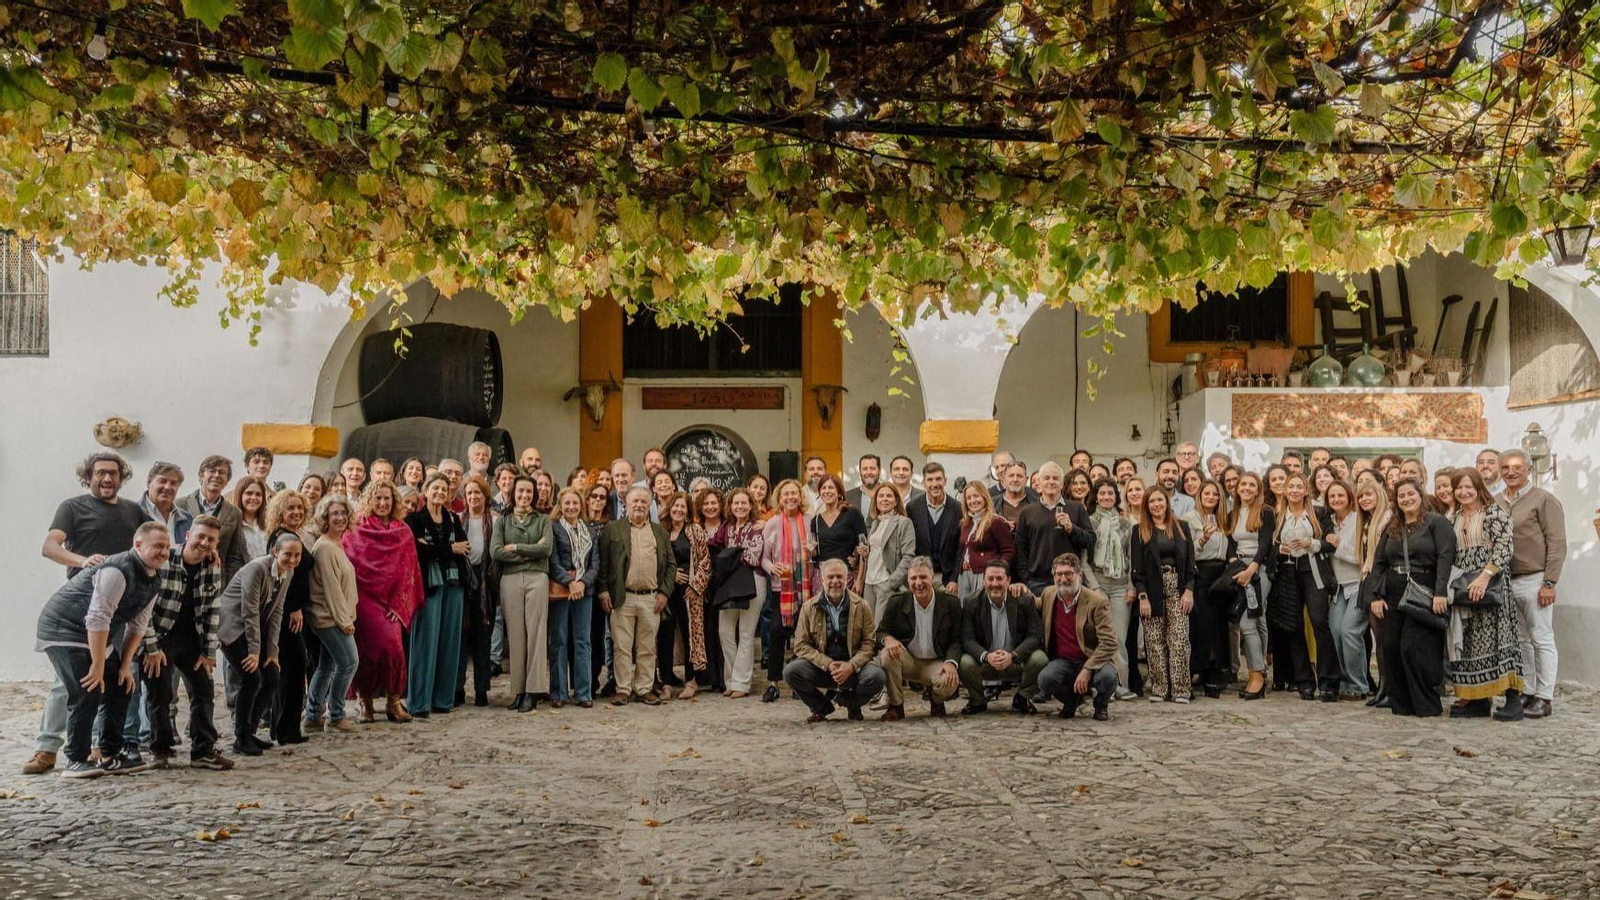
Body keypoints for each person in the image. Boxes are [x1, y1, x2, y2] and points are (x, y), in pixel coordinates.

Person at [26, 451, 151, 777]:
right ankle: (47, 747)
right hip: (81, 608)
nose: (107, 479)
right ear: (89, 477)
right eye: (100, 473)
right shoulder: (72, 507)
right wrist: (81, 561)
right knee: (69, 683)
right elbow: (50, 547)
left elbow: (154, 540)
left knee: (110, 679)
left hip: (118, 609)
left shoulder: (132, 510)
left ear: (121, 477)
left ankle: (98, 748)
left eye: (113, 473)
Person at [35, 521, 171, 778]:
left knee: (120, 685)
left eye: (166, 547)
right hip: (62, 629)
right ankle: (76, 759)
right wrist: (97, 665)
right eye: (157, 546)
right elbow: (98, 618)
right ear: (138, 545)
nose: (163, 552)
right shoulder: (118, 570)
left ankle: (109, 754)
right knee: (88, 686)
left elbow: (138, 626)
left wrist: (124, 667)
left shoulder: (154, 579)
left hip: (94, 633)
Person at [141, 516, 231, 770]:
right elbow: (143, 608)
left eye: (211, 540)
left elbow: (213, 609)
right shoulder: (164, 559)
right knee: (160, 693)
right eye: (200, 536)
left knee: (203, 689)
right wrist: (150, 647)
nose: (204, 543)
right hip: (160, 637)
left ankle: (202, 749)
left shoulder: (212, 566)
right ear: (188, 534)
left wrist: (209, 650)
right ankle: (160, 749)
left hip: (192, 638)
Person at [1368, 479, 1455, 717]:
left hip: (1423, 589)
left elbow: (1445, 558)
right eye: (1401, 496)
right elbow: (1379, 562)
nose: (1406, 499)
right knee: (1391, 646)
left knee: (1415, 647)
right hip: (1394, 591)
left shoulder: (1437, 523)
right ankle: (1402, 704)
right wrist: (1375, 595)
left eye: (1411, 494)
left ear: (1420, 495)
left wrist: (1440, 592)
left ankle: (1425, 703)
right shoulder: (1393, 526)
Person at [1444, 468, 1524, 721]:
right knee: (1469, 642)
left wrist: (1484, 576)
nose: (1464, 492)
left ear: (1479, 488)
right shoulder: (1454, 517)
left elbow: (1505, 546)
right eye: (1459, 487)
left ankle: (1513, 700)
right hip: (1464, 583)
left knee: (1500, 639)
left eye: (1469, 487)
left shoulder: (1493, 512)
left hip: (1491, 582)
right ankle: (1478, 700)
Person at [340, 482, 418, 724]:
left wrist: (401, 604)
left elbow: (409, 570)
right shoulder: (357, 527)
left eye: (387, 498)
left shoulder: (403, 530)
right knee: (367, 650)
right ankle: (366, 703)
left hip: (392, 602)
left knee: (393, 646)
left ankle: (394, 701)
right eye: (378, 498)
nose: (383, 503)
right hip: (363, 598)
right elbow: (348, 562)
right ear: (370, 500)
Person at [1497, 449, 1566, 719]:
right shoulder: (1496, 501)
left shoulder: (1544, 500)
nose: (1511, 472)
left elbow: (1557, 544)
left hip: (1535, 578)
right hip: (1505, 581)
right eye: (1505, 468)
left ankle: (1545, 697)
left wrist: (1549, 582)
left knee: (1541, 638)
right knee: (1521, 641)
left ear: (1527, 469)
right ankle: (1528, 689)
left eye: (1516, 467)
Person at [218, 533, 300, 756]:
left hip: (253, 630)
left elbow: (277, 613)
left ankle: (250, 730)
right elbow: (249, 611)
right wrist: (254, 652)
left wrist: (272, 653)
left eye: (297, 555)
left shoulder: (288, 572)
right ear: (275, 551)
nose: (292, 560)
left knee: (272, 675)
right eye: (287, 554)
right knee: (251, 678)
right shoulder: (257, 569)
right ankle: (241, 738)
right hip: (232, 627)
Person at [597, 486, 675, 706]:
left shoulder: (659, 532)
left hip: (652, 599)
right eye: (635, 501)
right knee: (621, 646)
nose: (639, 505)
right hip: (623, 598)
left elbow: (670, 565)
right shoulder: (613, 529)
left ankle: (644, 688)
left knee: (647, 647)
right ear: (627, 505)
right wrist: (603, 590)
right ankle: (622, 689)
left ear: (649, 505)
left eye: (644, 501)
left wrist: (664, 593)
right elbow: (603, 562)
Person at [783, 559, 886, 722]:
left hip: (854, 669)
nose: (835, 582)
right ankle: (821, 707)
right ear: (821, 580)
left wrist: (851, 666)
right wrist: (828, 663)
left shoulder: (862, 606)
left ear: (847, 579)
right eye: (830, 577)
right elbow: (801, 645)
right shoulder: (809, 607)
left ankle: (852, 703)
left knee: (877, 676)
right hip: (822, 668)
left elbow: (869, 643)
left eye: (839, 577)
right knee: (791, 671)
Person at [1268, 473, 1338, 701]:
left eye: (1299, 486)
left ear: (1306, 490)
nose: (1295, 490)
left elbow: (1331, 543)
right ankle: (1304, 681)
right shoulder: (1278, 516)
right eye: (1291, 487)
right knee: (1293, 624)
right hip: (1287, 573)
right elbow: (1270, 546)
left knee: (1319, 622)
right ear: (1285, 491)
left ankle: (1328, 681)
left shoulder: (1319, 513)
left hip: (1313, 570)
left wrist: (1312, 543)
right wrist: (1279, 551)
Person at [406, 474, 469, 718]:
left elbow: (464, 547)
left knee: (449, 641)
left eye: (444, 489)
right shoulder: (414, 519)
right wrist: (448, 549)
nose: (440, 492)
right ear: (425, 490)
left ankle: (443, 699)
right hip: (428, 585)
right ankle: (419, 702)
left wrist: (436, 549)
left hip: (453, 583)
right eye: (435, 488)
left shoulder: (452, 518)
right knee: (425, 641)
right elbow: (416, 550)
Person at [1130, 486, 1196, 703]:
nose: (1156, 505)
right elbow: (1137, 569)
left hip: (1178, 586)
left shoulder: (1182, 527)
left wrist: (1189, 590)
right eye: (1152, 502)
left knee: (1179, 639)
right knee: (1154, 641)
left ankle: (1180, 690)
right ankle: (1160, 688)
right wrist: (1142, 596)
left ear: (1167, 503)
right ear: (1146, 506)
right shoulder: (1139, 530)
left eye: (1160, 500)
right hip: (1151, 590)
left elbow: (1191, 565)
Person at [873, 557, 961, 720]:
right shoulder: (896, 603)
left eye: (923, 577)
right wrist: (888, 640)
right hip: (909, 660)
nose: (918, 583)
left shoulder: (950, 603)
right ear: (908, 580)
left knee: (950, 681)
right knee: (887, 655)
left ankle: (936, 700)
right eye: (914, 578)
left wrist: (951, 663)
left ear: (932, 577)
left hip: (936, 662)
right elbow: (880, 632)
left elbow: (956, 640)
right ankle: (896, 706)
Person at [492, 475, 552, 712]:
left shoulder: (543, 520)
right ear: (513, 494)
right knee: (516, 635)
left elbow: (546, 548)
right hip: (511, 580)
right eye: (520, 492)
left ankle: (533, 691)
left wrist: (516, 548)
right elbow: (496, 551)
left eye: (529, 492)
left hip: (538, 578)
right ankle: (518, 690)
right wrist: (531, 551)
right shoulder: (503, 521)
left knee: (536, 633)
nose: (525, 496)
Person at [1036, 553, 1119, 721]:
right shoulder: (1048, 594)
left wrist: (1088, 669)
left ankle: (1101, 705)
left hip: (1092, 658)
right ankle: (1072, 701)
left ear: (1079, 575)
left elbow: (1109, 642)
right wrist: (1018, 589)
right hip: (1064, 661)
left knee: (1108, 677)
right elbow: (1033, 604)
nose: (1063, 578)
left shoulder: (1097, 601)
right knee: (1045, 679)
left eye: (1068, 573)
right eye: (1059, 574)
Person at [262, 489, 316, 746]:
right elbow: (285, 576)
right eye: (290, 508)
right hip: (287, 612)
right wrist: (294, 607)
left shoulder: (292, 536)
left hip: (294, 611)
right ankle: (286, 730)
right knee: (293, 669)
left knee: (290, 669)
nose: (296, 512)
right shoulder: (282, 537)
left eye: (299, 508)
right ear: (279, 512)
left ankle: (281, 727)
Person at [958, 561, 1046, 715]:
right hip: (986, 663)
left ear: (1009, 580)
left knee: (1040, 659)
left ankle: (1022, 697)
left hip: (1016, 662)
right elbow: (967, 639)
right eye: (990, 579)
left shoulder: (1024, 600)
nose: (995, 584)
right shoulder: (972, 602)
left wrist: (1013, 656)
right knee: (964, 662)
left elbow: (1035, 636)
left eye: (999, 578)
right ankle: (977, 701)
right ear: (983, 581)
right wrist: (986, 656)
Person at [304, 496, 361, 733]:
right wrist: (344, 621)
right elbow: (331, 588)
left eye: (343, 513)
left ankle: (313, 715)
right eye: (334, 513)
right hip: (329, 618)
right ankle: (336, 715)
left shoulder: (336, 544)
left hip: (334, 617)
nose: (339, 517)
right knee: (349, 663)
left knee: (326, 667)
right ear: (325, 518)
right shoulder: (325, 547)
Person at [709, 488, 766, 698]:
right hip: (730, 582)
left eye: (744, 503)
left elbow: (753, 557)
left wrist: (731, 554)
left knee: (746, 633)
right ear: (730, 507)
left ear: (751, 505)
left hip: (753, 580)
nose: (740, 507)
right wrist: (733, 553)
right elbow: (713, 544)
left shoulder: (758, 527)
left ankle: (742, 683)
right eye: (736, 503)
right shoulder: (727, 527)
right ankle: (731, 679)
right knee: (724, 631)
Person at [759, 479, 811, 701]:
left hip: (805, 588)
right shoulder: (771, 524)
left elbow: (816, 552)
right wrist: (773, 568)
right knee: (777, 632)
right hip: (781, 587)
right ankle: (773, 682)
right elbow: (763, 558)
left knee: (803, 634)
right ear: (779, 499)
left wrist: (812, 551)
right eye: (785, 494)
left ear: (800, 497)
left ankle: (799, 681)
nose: (790, 497)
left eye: (794, 494)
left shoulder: (810, 521)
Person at [1010, 461, 1095, 597]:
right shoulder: (1027, 512)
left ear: (1062, 484)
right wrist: (1027, 579)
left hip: (1069, 580)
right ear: (1039, 482)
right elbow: (1020, 548)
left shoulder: (1077, 508)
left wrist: (1072, 529)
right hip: (1037, 583)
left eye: (1055, 478)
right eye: (1046, 478)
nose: (1051, 482)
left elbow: (1090, 541)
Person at [1226, 472, 1275, 700]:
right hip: (1240, 568)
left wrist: (1250, 570)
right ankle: (1262, 672)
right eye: (1243, 484)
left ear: (1258, 490)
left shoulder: (1265, 512)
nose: (1246, 488)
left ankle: (1255, 674)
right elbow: (1230, 542)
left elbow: (1265, 544)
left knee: (1248, 621)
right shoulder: (1232, 513)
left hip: (1259, 570)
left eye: (1251, 485)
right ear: (1237, 489)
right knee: (1259, 619)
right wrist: (1236, 566)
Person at [656, 492, 710, 699]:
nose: (679, 510)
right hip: (666, 591)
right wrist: (669, 576)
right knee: (664, 635)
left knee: (691, 636)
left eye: (683, 507)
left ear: (688, 511)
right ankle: (667, 682)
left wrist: (695, 585)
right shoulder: (660, 532)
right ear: (669, 508)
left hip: (689, 592)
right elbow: (654, 561)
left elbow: (705, 562)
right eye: (675, 506)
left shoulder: (695, 531)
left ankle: (691, 680)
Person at [1085, 478, 1136, 698]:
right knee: (1097, 637)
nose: (1106, 497)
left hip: (1120, 586)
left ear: (1116, 497)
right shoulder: (1088, 522)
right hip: (1096, 584)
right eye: (1102, 493)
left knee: (1118, 638)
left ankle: (1120, 685)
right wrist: (1094, 587)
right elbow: (1083, 560)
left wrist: (1131, 586)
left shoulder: (1127, 525)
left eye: (1110, 493)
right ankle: (1100, 686)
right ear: (1096, 496)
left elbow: (1132, 559)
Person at [549, 487, 599, 708]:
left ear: (582, 506)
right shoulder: (553, 528)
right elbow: (553, 560)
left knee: (583, 641)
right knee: (559, 641)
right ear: (561, 505)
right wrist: (569, 582)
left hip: (584, 591)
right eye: (567, 503)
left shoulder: (589, 530)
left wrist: (582, 582)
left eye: (575, 503)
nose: (571, 507)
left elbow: (595, 564)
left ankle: (583, 693)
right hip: (561, 590)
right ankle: (559, 693)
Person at [1325, 479, 1372, 700]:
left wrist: (1338, 546)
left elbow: (1362, 557)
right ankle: (1344, 681)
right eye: (1332, 496)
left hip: (1358, 584)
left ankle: (1359, 685)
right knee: (1335, 630)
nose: (1336, 500)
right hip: (1338, 587)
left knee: (1350, 631)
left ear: (1349, 497)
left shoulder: (1358, 520)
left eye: (1340, 495)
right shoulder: (1329, 522)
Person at [1184, 480, 1231, 697]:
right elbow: (1187, 551)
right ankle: (1200, 668)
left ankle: (1216, 668)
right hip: (1201, 572)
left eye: (1215, 494)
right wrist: (1202, 538)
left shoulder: (1224, 519)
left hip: (1221, 575)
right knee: (1202, 624)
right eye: (1207, 493)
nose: (1211, 497)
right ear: (1199, 495)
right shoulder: (1189, 518)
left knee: (1219, 625)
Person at [455, 477, 497, 708]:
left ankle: (482, 689)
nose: (473, 497)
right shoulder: (457, 519)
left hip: (485, 585)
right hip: (463, 581)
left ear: (485, 496)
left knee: (483, 639)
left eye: (477, 493)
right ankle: (458, 688)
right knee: (460, 638)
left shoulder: (495, 521)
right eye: (469, 493)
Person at [181, 455, 250, 584]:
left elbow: (234, 555)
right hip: (182, 576)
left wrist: (229, 586)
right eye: (212, 471)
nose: (217, 475)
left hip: (214, 581)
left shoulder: (235, 513)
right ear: (201, 476)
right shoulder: (180, 505)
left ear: (227, 480)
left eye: (222, 472)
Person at [1354, 480, 1393, 707]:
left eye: (1368, 494)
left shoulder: (1386, 519)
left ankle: (1389, 688)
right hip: (1369, 578)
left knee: (1384, 638)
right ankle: (1382, 686)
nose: (1364, 499)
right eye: (1361, 496)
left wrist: (1378, 591)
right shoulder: (1368, 522)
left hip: (1382, 582)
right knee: (1378, 638)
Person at [862, 484, 916, 623]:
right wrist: (866, 553)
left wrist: (891, 583)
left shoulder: (904, 522)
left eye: (889, 496)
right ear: (876, 501)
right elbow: (878, 552)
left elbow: (909, 557)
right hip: (869, 582)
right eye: (881, 496)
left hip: (885, 581)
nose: (884, 499)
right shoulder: (875, 523)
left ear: (896, 500)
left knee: (880, 628)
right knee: (868, 629)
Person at [954, 482, 1014, 600]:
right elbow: (960, 553)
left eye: (976, 496)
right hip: (965, 576)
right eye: (968, 498)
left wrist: (995, 572)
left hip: (984, 575)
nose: (972, 501)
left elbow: (1008, 551)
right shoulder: (965, 523)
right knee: (965, 612)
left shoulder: (995, 521)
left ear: (984, 497)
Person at [1119, 476, 1149, 698]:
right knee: (1130, 632)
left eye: (1139, 489)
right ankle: (1132, 677)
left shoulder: (1153, 518)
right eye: (1131, 490)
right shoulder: (1122, 520)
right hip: (1131, 580)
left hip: (1152, 579)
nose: (1135, 493)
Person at [907, 462, 960, 586]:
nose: (934, 484)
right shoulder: (912, 508)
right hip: (921, 576)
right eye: (930, 480)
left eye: (938, 479)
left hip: (948, 577)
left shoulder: (958, 509)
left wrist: (954, 579)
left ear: (945, 481)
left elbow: (960, 549)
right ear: (923, 483)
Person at [810, 474, 868, 587]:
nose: (827, 491)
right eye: (824, 488)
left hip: (846, 576)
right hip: (821, 578)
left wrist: (859, 580)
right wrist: (811, 551)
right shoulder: (815, 521)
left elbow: (863, 549)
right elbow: (815, 556)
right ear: (819, 492)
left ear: (839, 492)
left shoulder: (852, 513)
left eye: (831, 488)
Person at [140, 461, 193, 546]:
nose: (167, 487)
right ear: (149, 483)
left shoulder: (187, 519)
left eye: (173, 483)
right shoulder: (133, 513)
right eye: (162, 481)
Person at [233, 476, 269, 559]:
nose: (253, 498)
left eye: (258, 494)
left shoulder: (269, 524)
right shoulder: (232, 525)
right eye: (249, 493)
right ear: (239, 495)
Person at [844, 454, 882, 518]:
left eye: (872, 468)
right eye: (865, 469)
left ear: (879, 470)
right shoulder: (848, 497)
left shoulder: (889, 495)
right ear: (860, 472)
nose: (868, 472)